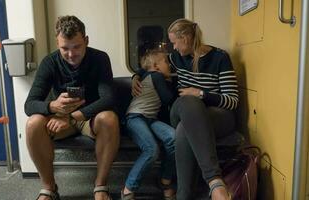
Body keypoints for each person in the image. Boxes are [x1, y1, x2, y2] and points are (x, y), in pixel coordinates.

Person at [132, 19, 238, 200]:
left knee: (183, 129)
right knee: (189, 102)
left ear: (187, 38)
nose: (173, 48)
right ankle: (214, 181)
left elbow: (233, 101)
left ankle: (183, 196)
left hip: (216, 115)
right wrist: (136, 76)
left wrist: (202, 94)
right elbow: (152, 65)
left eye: (174, 42)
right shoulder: (176, 59)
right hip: (182, 110)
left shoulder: (220, 58)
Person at [24, 15, 119, 200]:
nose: (70, 54)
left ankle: (100, 187)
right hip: (59, 118)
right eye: (64, 48)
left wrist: (73, 117)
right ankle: (49, 189)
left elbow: (109, 98)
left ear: (86, 40)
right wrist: (52, 106)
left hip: (90, 119)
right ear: (57, 43)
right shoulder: (49, 62)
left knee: (109, 118)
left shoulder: (99, 58)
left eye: (77, 47)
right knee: (32, 123)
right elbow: (30, 104)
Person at [121, 49, 177, 200]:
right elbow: (167, 99)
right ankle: (128, 188)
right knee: (151, 149)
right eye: (165, 61)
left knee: (174, 138)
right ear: (156, 66)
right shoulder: (157, 76)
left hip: (150, 118)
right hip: (135, 117)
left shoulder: (150, 74)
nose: (169, 65)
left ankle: (165, 180)